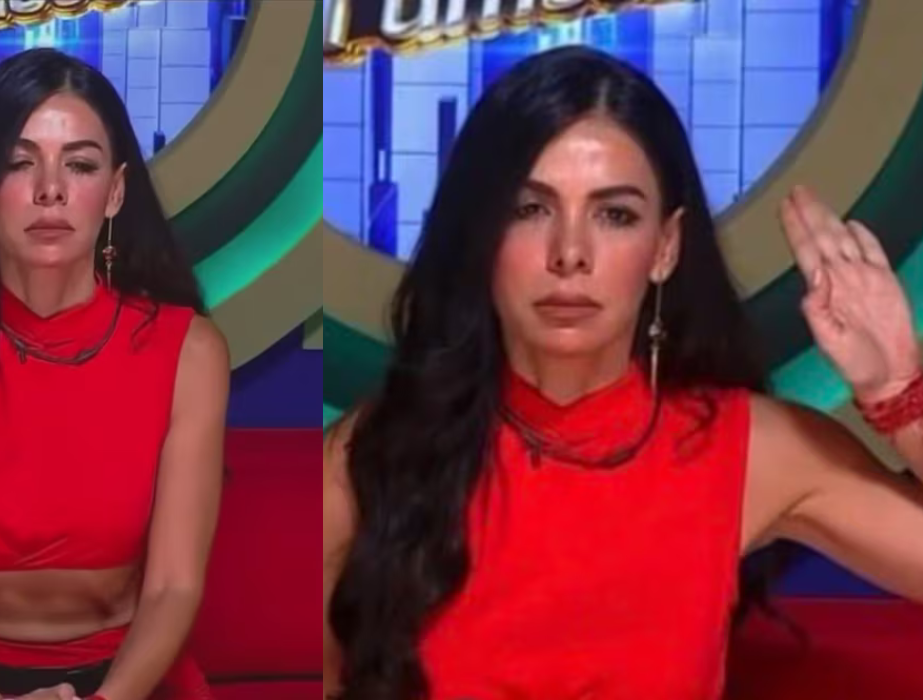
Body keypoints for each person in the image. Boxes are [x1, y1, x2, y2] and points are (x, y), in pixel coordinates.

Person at [323, 45, 923, 700]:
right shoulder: (379, 449)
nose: (570, 253)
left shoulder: (752, 451)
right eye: (529, 209)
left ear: (665, 248)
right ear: (482, 236)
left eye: (615, 215)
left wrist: (898, 391)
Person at [0, 48, 229, 700]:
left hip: (128, 679)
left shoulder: (190, 351)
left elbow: (174, 586)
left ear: (114, 192)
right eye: (18, 162)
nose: (50, 189)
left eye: (79, 165)